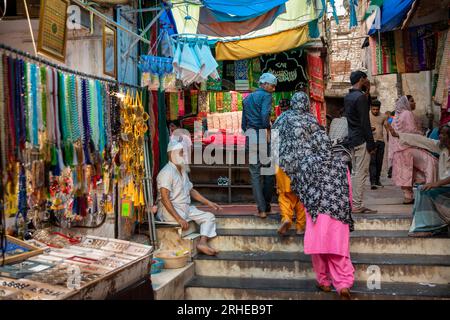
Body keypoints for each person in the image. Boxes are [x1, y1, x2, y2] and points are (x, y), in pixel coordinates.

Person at [272, 92, 355, 299]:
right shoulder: (339, 162)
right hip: (338, 211)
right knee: (338, 250)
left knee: (287, 194)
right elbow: (348, 190)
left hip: (291, 168)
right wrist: (348, 209)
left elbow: (274, 141)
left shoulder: (282, 119)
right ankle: (343, 284)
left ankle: (324, 281)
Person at [156, 141, 223, 256]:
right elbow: (164, 198)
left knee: (209, 217)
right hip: (171, 211)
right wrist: (178, 219)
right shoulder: (166, 172)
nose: (184, 156)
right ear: (173, 154)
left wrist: (209, 203)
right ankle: (184, 225)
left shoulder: (182, 171)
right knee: (184, 219)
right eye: (182, 153)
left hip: (185, 208)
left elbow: (191, 191)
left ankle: (202, 243)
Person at [391, 125, 450, 237]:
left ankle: (427, 227)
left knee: (427, 192)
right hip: (444, 187)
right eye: (440, 134)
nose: (441, 136)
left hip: (446, 188)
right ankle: (425, 224)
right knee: (421, 190)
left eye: (444, 134)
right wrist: (398, 134)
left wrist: (435, 184)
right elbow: (422, 140)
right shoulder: (441, 147)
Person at [388, 96, 438, 204]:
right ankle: (430, 192)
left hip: (398, 151)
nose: (414, 103)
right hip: (408, 148)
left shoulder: (397, 116)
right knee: (430, 162)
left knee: (406, 173)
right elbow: (412, 132)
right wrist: (422, 135)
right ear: (406, 103)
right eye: (411, 101)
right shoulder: (407, 113)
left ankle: (408, 197)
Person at [242, 73, 277, 219]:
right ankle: (267, 206)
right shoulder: (266, 96)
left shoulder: (247, 98)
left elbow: (243, 124)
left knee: (255, 174)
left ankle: (261, 209)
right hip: (262, 135)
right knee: (268, 172)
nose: (274, 89)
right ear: (264, 84)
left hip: (250, 136)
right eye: (272, 85)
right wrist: (267, 128)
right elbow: (264, 116)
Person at [344, 71, 377, 214]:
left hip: (352, 138)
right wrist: (371, 144)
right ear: (360, 79)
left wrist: (367, 91)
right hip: (361, 139)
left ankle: (353, 202)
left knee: (355, 173)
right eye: (365, 79)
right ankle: (356, 204)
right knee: (361, 173)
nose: (367, 81)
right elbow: (365, 122)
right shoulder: (360, 98)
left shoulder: (348, 97)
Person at [275, 100, 306, 236]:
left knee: (284, 193)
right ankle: (300, 227)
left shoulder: (281, 118)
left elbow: (274, 139)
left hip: (283, 162)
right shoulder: (308, 118)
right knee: (302, 196)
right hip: (303, 163)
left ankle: (286, 218)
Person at [369, 100, 388, 189]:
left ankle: (377, 180)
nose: (375, 111)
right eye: (373, 109)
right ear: (371, 108)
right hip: (371, 141)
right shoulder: (367, 115)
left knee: (379, 162)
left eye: (377, 109)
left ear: (379, 108)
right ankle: (372, 182)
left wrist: (390, 136)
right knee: (372, 162)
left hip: (381, 142)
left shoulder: (383, 116)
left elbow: (387, 127)